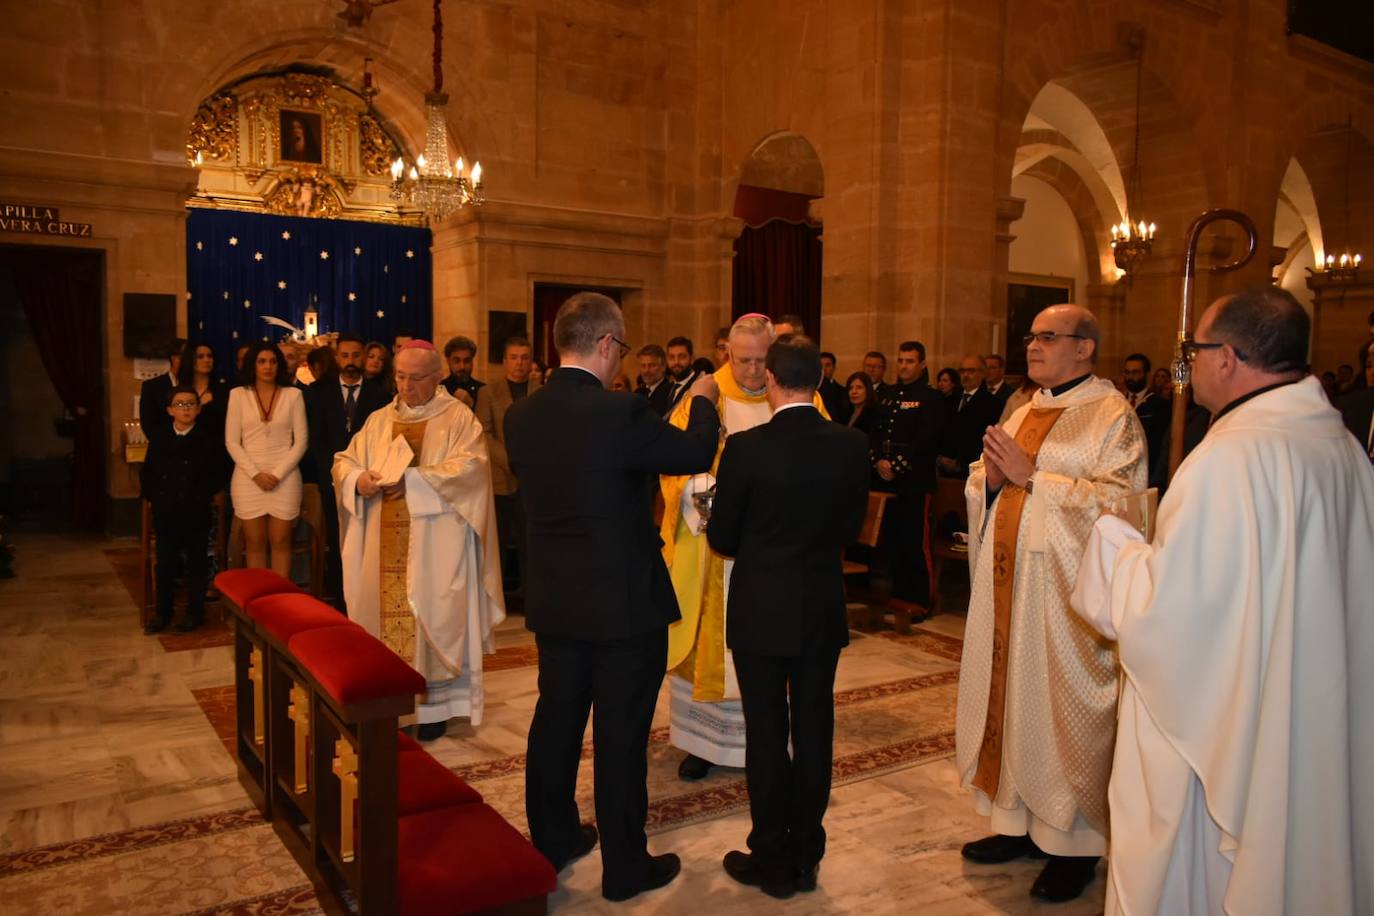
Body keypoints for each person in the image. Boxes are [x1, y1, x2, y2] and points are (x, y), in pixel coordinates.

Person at [1072, 287, 1374, 916]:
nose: (1189, 366)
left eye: (1195, 352)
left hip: (1230, 729)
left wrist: (1116, 546)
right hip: (1312, 703)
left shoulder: (1230, 458)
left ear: (1228, 358)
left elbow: (1169, 617)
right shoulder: (1343, 446)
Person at [505, 292, 721, 901]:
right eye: (620, 348)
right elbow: (693, 452)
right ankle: (625, 868)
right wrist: (704, 401)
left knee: (556, 721)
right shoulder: (620, 412)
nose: (620, 359)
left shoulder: (521, 416)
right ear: (605, 344)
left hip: (556, 599)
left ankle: (552, 840)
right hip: (623, 605)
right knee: (621, 736)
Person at [955, 304, 1146, 903]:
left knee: (1062, 708)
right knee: (1012, 698)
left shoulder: (1112, 415)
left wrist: (1033, 478)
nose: (1033, 346)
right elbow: (987, 479)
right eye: (1030, 337)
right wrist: (990, 480)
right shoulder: (1024, 409)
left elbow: (1122, 506)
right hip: (1009, 589)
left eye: (1048, 337)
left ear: (1084, 347)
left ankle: (1075, 846)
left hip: (1066, 602)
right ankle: (1016, 823)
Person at [707, 335, 869, 900]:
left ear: (771, 380)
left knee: (767, 735)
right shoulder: (851, 444)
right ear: (819, 381)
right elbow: (849, 529)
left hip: (760, 610)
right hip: (820, 606)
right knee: (816, 730)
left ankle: (771, 859)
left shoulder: (746, 448)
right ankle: (806, 857)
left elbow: (723, 537)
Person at [659, 315, 830, 782]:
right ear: (726, 353)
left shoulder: (799, 396)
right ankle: (703, 745)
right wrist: (703, 493)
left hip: (775, 555)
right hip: (714, 553)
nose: (753, 371)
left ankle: (770, 743)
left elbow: (821, 459)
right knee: (714, 650)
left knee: (772, 651)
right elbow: (673, 465)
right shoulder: (704, 396)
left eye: (760, 361)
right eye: (743, 360)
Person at [333, 341, 506, 740]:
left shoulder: (458, 418)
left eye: (415, 378)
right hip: (380, 543)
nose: (406, 386)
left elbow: (472, 469)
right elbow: (344, 461)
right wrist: (358, 480)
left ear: (437, 377)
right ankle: (387, 704)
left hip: (436, 546)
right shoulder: (379, 420)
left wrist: (413, 481)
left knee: (434, 613)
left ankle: (433, 709)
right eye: (400, 377)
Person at [306, 334, 390, 608]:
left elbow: (384, 440)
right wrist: (334, 475)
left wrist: (367, 475)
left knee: (368, 541)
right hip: (333, 481)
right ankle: (341, 600)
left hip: (369, 482)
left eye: (355, 355)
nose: (350, 361)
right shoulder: (319, 392)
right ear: (336, 358)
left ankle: (366, 600)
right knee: (337, 539)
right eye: (345, 356)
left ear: (363, 357)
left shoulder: (380, 395)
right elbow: (316, 439)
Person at [140, 386, 229, 634]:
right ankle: (163, 613)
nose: (185, 409)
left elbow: (219, 473)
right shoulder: (160, 438)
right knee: (166, 564)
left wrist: (201, 494)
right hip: (166, 509)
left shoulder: (208, 440)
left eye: (190, 404)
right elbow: (148, 473)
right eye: (179, 404)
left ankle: (195, 612)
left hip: (195, 509)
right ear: (170, 410)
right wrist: (155, 496)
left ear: (199, 409)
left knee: (196, 563)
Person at [870, 340, 946, 618]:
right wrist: (879, 460)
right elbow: (876, 430)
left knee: (916, 541)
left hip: (914, 480)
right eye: (901, 360)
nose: (904, 366)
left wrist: (897, 465)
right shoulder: (888, 394)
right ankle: (900, 595)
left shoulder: (931, 398)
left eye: (910, 361)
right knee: (894, 540)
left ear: (922, 364)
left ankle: (921, 599)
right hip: (886, 479)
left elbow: (927, 439)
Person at [225, 343, 308, 578]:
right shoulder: (237, 395)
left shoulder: (293, 395)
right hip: (248, 477)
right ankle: (260, 599)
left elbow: (301, 441)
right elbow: (232, 441)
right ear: (252, 365)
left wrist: (277, 474)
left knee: (281, 540)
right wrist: (256, 474)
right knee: (254, 542)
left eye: (272, 361)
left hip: (285, 476)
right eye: (262, 361)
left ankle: (280, 598)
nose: (268, 366)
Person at [474, 336, 541, 605]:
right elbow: (483, 433)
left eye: (524, 358)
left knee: (530, 541)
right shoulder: (488, 393)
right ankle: (495, 601)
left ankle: (531, 598)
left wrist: (530, 463)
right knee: (497, 542)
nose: (519, 363)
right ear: (504, 361)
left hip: (533, 479)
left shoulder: (541, 391)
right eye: (514, 357)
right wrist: (512, 461)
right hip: (500, 478)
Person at [938, 355, 1001, 478]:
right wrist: (940, 458)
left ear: (983, 373)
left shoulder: (993, 404)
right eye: (962, 371)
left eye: (971, 371)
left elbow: (987, 440)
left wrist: (961, 463)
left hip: (973, 471)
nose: (965, 375)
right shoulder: (950, 399)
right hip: (945, 469)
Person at [1122, 352, 1168, 469]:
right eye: (1127, 372)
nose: (1130, 377)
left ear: (1147, 374)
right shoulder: (1117, 401)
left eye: (1135, 372)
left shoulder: (1160, 405)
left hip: (1147, 464)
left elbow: (1159, 442)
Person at [139, 338, 186, 444]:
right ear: (174, 358)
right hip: (163, 446)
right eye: (184, 356)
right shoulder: (152, 386)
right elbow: (148, 424)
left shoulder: (194, 384)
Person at [441, 335, 485, 405]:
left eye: (467, 361)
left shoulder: (483, 390)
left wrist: (471, 404)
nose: (462, 367)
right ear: (448, 361)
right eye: (457, 361)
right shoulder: (439, 390)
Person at [634, 344, 671, 415]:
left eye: (651, 365)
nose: (646, 370)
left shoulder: (670, 393)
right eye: (643, 366)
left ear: (663, 366)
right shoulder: (637, 393)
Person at [665, 336, 699, 412]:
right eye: (671, 357)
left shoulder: (698, 386)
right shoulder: (669, 388)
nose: (676, 362)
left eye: (682, 357)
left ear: (692, 358)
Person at [818, 351, 851, 423]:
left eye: (828, 365)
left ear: (834, 368)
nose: (824, 369)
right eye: (821, 366)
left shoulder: (843, 392)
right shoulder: (812, 390)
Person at [843, 371, 876, 438]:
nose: (854, 392)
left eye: (859, 388)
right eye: (851, 388)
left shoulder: (874, 414)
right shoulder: (844, 412)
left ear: (868, 390)